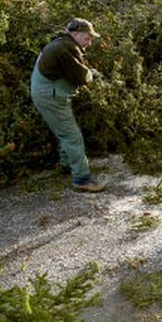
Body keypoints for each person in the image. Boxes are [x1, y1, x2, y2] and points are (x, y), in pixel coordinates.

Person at [30, 18, 106, 193]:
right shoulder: (66, 48)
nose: (90, 42)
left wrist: (88, 72)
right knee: (72, 136)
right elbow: (81, 77)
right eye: (87, 38)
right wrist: (91, 74)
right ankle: (82, 179)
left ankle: (67, 165)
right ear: (76, 34)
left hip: (46, 94)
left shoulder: (61, 43)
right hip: (50, 96)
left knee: (65, 133)